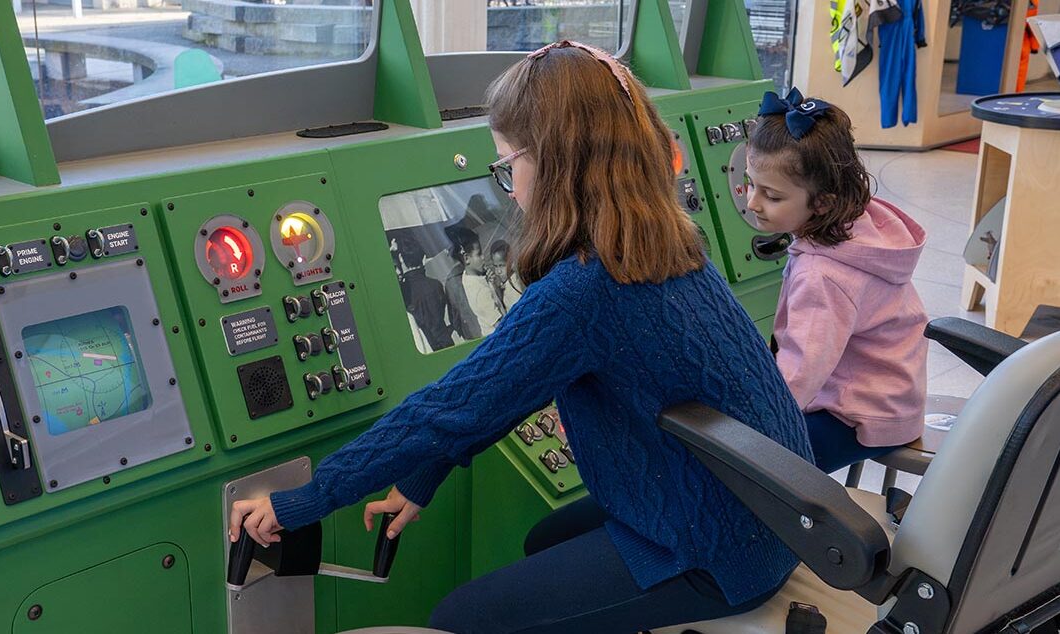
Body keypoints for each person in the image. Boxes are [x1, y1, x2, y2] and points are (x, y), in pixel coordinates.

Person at [229, 41, 812, 633]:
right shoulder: (663, 242)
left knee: (460, 618)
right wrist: (422, 476)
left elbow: (446, 408)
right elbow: (512, 387)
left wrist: (299, 502)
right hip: (766, 515)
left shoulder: (584, 289)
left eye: (508, 165)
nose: (508, 187)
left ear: (558, 163)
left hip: (722, 551)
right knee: (543, 541)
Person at [746, 87, 927, 474]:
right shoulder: (859, 226)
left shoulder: (823, 276)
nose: (752, 203)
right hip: (892, 397)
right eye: (750, 185)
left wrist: (748, 419)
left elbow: (800, 371)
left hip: (857, 418)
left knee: (750, 468)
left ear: (823, 202)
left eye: (772, 196)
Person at [395, 235, 454, 352]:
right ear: (422, 258)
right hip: (446, 343)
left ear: (401, 258)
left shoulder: (403, 292)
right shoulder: (436, 284)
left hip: (425, 348)